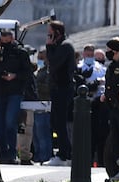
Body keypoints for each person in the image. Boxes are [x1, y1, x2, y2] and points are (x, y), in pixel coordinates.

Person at [0, 29, 31, 164]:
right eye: (2, 38)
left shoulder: (20, 52)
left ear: (12, 38)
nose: (4, 40)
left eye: (7, 38)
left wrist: (15, 76)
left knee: (10, 123)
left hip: (15, 91)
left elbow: (27, 72)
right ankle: (4, 152)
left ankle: (11, 153)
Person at [43, 20, 76, 166]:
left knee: (60, 122)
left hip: (63, 88)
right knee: (56, 122)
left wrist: (49, 47)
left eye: (50, 32)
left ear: (56, 32)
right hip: (57, 89)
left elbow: (54, 63)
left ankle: (64, 155)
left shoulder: (65, 46)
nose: (48, 35)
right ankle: (64, 152)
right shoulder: (59, 46)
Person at [100, 37, 119, 177]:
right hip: (113, 108)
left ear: (117, 51)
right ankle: (116, 171)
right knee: (115, 140)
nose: (108, 53)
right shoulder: (112, 66)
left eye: (110, 51)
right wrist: (105, 95)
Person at [76, 44, 108, 167]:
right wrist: (94, 84)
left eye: (91, 55)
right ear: (83, 54)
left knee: (98, 133)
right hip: (83, 104)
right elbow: (80, 83)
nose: (89, 57)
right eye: (87, 55)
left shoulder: (101, 68)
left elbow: (102, 85)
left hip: (97, 104)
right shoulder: (78, 67)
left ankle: (99, 161)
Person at [17, 44, 39, 165]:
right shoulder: (24, 68)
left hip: (28, 100)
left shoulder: (29, 69)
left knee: (26, 130)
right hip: (23, 100)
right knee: (24, 129)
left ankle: (24, 154)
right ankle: (24, 155)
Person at [32, 48, 53, 164]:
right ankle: (38, 155)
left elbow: (48, 87)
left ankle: (45, 156)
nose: (40, 60)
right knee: (36, 133)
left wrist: (36, 85)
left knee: (42, 132)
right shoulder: (38, 70)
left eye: (42, 58)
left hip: (44, 105)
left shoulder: (48, 71)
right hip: (35, 104)